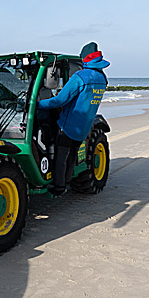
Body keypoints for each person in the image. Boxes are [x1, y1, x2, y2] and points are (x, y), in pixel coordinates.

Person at [37, 42, 109, 195]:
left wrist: (37, 105)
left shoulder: (80, 77)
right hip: (84, 126)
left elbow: (59, 100)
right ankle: (68, 181)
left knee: (61, 156)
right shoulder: (102, 78)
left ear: (85, 59)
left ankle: (59, 187)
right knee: (72, 155)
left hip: (68, 126)